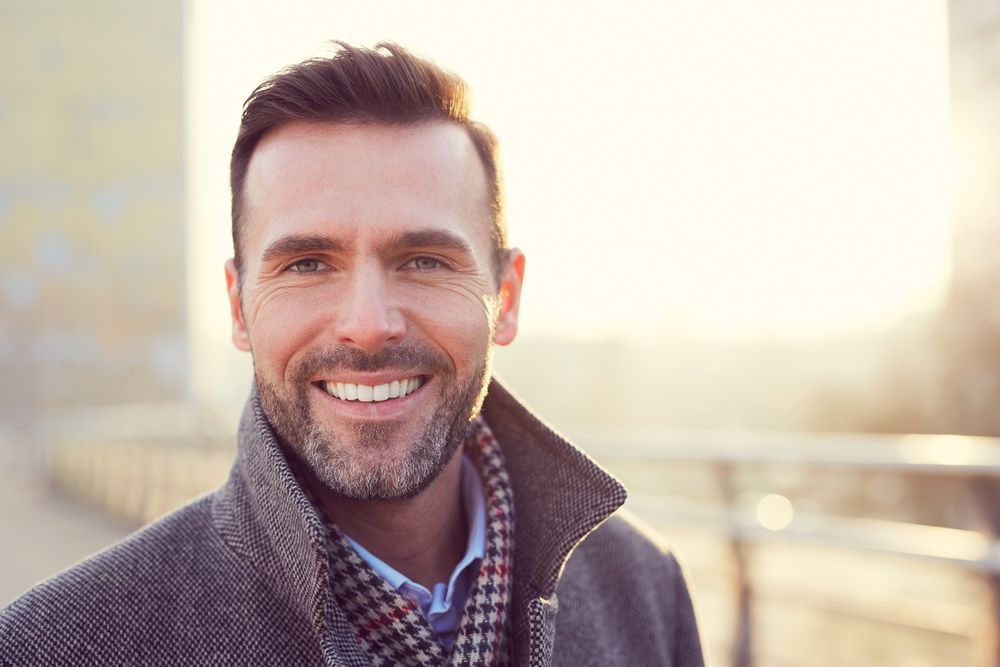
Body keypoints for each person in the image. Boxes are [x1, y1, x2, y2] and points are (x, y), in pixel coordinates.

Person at [0, 42, 704, 666]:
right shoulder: (58, 644)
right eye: (307, 264)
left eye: (424, 259)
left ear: (507, 295)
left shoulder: (642, 588)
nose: (368, 325)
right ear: (239, 305)